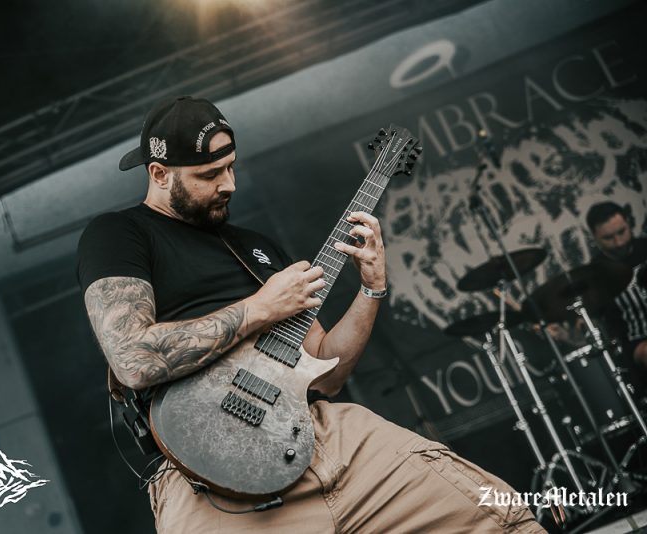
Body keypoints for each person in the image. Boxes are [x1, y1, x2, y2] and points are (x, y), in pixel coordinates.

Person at [77, 96, 544, 533]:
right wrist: (261, 307)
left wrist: (372, 288)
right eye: (210, 174)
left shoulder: (254, 248)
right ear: (160, 174)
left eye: (232, 167)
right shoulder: (119, 234)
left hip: (316, 432)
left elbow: (327, 371)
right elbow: (133, 358)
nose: (229, 184)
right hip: (205, 472)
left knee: (499, 517)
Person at [586, 201, 647, 369]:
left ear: (629, 223)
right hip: (636, 341)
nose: (619, 242)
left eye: (621, 232)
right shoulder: (594, 275)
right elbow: (594, 326)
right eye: (608, 238)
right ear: (594, 237)